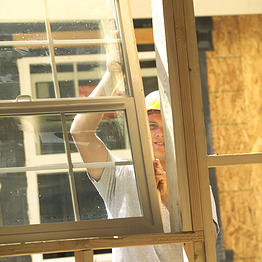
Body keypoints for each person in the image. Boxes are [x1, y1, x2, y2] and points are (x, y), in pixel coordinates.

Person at [70, 64, 218, 261]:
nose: (159, 133)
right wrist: (112, 75)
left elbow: (204, 252)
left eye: (166, 125)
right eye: (152, 125)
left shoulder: (196, 187)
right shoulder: (119, 175)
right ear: (141, 131)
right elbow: (80, 132)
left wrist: (167, 197)